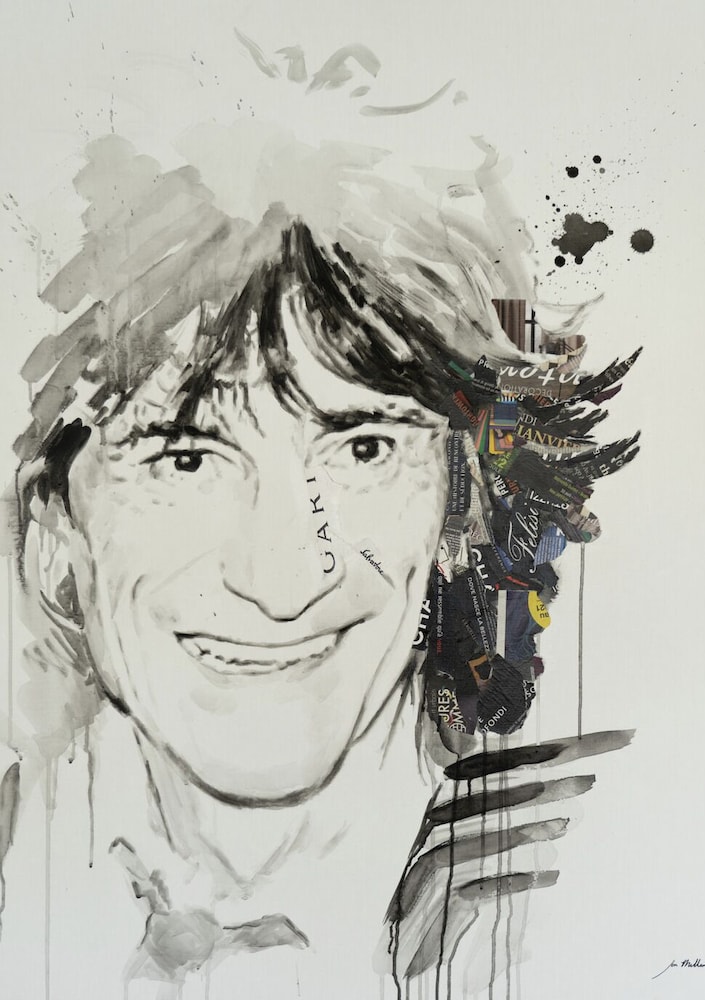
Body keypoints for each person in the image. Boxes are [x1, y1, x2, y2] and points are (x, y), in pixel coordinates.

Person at [1, 124, 638, 999]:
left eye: (364, 449)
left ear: (458, 508)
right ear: (54, 540)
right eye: (186, 459)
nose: (282, 583)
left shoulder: (601, 878)